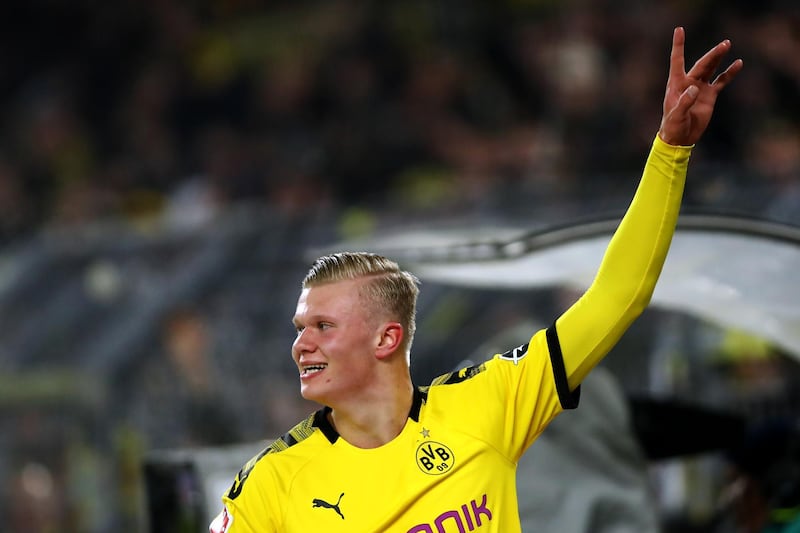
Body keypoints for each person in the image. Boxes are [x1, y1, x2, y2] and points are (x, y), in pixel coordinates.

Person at [209, 27, 742, 533]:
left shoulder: (485, 405)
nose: (301, 345)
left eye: (322, 325)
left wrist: (670, 153)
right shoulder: (268, 487)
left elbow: (617, 296)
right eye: (301, 327)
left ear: (386, 338)